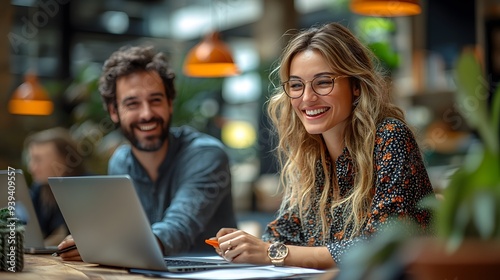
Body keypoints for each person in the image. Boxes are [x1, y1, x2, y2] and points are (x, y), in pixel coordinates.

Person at [212, 22, 434, 269]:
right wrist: (245, 246)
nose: (307, 98)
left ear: (356, 86)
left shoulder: (390, 138)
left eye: (323, 82)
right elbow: (282, 236)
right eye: (296, 85)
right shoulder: (311, 156)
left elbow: (381, 248)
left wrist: (273, 252)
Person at [57, 45, 237, 261]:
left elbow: (178, 228)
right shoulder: (121, 162)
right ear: (114, 112)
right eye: (132, 103)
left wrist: (103, 244)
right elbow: (121, 232)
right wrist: (91, 240)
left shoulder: (207, 155)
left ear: (170, 104)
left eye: (155, 100)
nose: (146, 114)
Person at [25, 127, 87, 246]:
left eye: (38, 160)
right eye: (31, 159)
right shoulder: (40, 188)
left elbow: (61, 237)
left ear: (64, 160)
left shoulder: (88, 188)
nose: (31, 168)